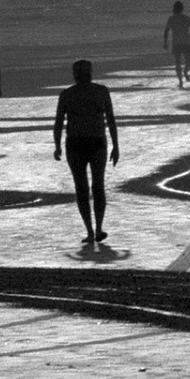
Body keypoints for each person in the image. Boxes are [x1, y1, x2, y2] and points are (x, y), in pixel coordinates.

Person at [52, 60, 120, 247]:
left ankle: (95, 230)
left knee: (92, 186)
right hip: (80, 144)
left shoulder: (96, 92)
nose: (83, 75)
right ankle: (92, 230)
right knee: (87, 187)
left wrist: (116, 145)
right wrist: (57, 145)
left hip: (92, 142)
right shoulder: (70, 94)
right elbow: (58, 122)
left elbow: (111, 119)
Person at [163, 1, 190, 88]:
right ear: (182, 9)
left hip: (177, 43)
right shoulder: (186, 18)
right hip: (185, 43)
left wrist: (165, 42)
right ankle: (185, 73)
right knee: (188, 62)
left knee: (178, 63)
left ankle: (181, 80)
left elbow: (166, 31)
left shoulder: (172, 18)